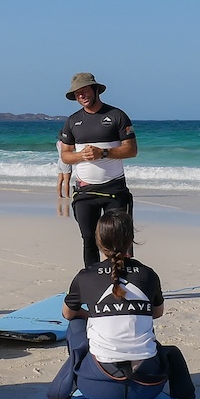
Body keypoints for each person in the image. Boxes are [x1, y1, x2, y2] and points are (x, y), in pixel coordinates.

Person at [47, 209, 195, 399]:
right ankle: (185, 395)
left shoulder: (85, 276)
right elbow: (156, 313)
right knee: (168, 350)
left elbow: (67, 313)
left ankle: (64, 388)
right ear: (131, 240)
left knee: (75, 325)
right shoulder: (148, 274)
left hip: (97, 389)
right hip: (149, 388)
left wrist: (93, 314)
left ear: (98, 241)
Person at [58, 72, 138, 269]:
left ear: (95, 90)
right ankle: (92, 282)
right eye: (77, 93)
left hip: (114, 190)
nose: (81, 96)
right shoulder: (72, 121)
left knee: (118, 240)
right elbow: (65, 155)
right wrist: (81, 156)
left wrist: (103, 153)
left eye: (85, 90)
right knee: (89, 239)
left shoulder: (117, 115)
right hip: (85, 192)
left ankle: (123, 282)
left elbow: (131, 150)